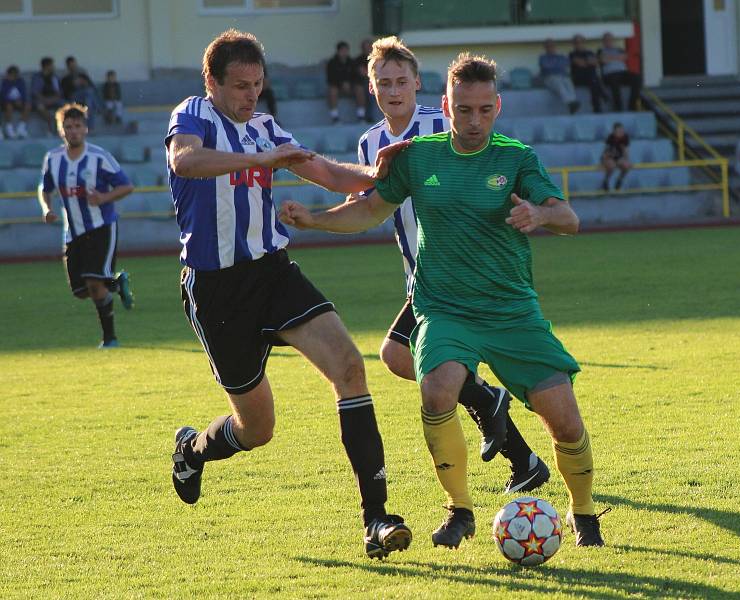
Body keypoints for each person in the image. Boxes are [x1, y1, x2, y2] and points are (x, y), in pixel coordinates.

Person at [281, 52, 607, 550]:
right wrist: (315, 220)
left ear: (496, 107)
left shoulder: (516, 158)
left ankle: (583, 514)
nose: (474, 121)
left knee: (565, 421)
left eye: (483, 110)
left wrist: (540, 217)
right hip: (444, 307)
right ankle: (460, 511)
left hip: (511, 310)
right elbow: (369, 209)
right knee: (437, 389)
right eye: (463, 110)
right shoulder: (419, 155)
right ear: (445, 106)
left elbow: (569, 218)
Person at [166, 29, 411, 560]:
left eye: (257, 85)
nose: (250, 96)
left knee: (350, 366)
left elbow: (322, 171)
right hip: (216, 292)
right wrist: (264, 162)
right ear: (211, 82)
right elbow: (185, 162)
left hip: (273, 274)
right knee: (258, 429)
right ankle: (192, 450)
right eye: (238, 86)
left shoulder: (264, 129)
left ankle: (376, 519)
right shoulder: (192, 115)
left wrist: (376, 173)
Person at [356, 35, 550, 494]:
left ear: (419, 84)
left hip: (452, 277)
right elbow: (368, 200)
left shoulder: (439, 126)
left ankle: (500, 423)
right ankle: (523, 459)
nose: (394, 90)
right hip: (420, 277)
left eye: (402, 80)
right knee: (438, 368)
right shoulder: (369, 142)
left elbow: (478, 148)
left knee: (399, 355)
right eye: (384, 82)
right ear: (372, 88)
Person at [38, 103, 135, 348]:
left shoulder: (98, 157)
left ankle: (110, 338)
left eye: (77, 126)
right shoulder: (53, 159)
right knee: (81, 291)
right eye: (67, 127)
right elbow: (44, 188)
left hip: (101, 226)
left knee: (93, 284)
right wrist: (47, 209)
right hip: (73, 232)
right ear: (60, 130)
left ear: (86, 129)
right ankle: (115, 282)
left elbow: (126, 186)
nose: (73, 131)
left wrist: (103, 198)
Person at [598, 32, 641, 112]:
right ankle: (618, 107)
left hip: (622, 72)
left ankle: (632, 105)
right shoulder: (601, 50)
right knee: (615, 80)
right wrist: (617, 57)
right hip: (609, 74)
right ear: (603, 41)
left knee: (637, 77)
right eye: (606, 40)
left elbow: (625, 57)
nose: (608, 41)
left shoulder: (619, 49)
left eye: (610, 40)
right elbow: (603, 60)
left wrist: (610, 58)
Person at [326, 41, 367, 123]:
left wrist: (350, 84)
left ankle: (361, 116)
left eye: (346, 50)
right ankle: (335, 118)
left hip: (351, 87)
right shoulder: (332, 63)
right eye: (342, 50)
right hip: (338, 87)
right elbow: (330, 78)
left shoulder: (352, 62)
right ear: (338, 51)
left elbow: (357, 77)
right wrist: (342, 84)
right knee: (332, 91)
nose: (344, 52)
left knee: (360, 89)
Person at [538, 38, 580, 114]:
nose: (550, 48)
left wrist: (554, 66)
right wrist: (557, 66)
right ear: (545, 47)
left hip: (562, 76)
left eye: (552, 46)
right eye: (548, 46)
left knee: (568, 82)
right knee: (558, 82)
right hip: (549, 78)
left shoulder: (561, 56)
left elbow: (566, 65)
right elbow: (546, 66)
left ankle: (573, 103)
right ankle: (569, 102)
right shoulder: (543, 57)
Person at [569, 34, 607, 114]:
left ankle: (597, 107)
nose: (578, 44)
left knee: (593, 81)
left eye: (580, 42)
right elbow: (579, 63)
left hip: (591, 78)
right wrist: (589, 62)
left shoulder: (590, 52)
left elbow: (596, 63)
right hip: (578, 78)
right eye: (576, 42)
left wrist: (588, 62)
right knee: (593, 78)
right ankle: (602, 94)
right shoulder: (572, 54)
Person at [31, 57, 64, 134]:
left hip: (54, 99)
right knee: (39, 106)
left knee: (65, 105)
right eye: (52, 65)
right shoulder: (37, 77)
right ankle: (49, 126)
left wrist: (53, 99)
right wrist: (45, 100)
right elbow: (35, 92)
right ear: (46, 66)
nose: (53, 67)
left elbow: (59, 92)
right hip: (42, 100)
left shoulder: (54, 77)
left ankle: (62, 128)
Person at [0, 65, 30, 139]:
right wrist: (12, 101)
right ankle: (9, 128)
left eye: (14, 74)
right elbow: (3, 96)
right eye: (11, 74)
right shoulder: (5, 82)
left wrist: (20, 100)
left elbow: (24, 94)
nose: (12, 76)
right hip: (8, 102)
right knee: (9, 106)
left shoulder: (20, 82)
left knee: (27, 105)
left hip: (19, 102)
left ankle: (21, 128)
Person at [601, 121, 631, 191]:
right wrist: (603, 162)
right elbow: (605, 153)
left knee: (627, 166)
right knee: (612, 166)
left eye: (622, 130)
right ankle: (606, 181)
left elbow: (626, 152)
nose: (621, 132)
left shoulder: (625, 137)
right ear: (614, 131)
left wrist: (626, 160)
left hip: (618, 158)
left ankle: (619, 180)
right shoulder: (610, 138)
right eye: (619, 130)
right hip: (609, 157)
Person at [354, 38, 376, 122]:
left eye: (369, 47)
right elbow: (362, 73)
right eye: (365, 48)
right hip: (361, 83)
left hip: (376, 83)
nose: (367, 50)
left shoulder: (378, 59)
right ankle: (363, 116)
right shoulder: (358, 60)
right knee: (364, 89)